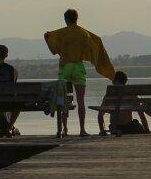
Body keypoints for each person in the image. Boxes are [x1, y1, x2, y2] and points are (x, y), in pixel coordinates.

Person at [43, 8, 115, 136]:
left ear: (66, 20)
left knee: (63, 99)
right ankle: (82, 129)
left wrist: (47, 38)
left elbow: (53, 50)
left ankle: (64, 129)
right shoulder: (84, 34)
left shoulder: (61, 33)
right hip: (78, 67)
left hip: (65, 66)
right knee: (80, 99)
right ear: (77, 18)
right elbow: (94, 45)